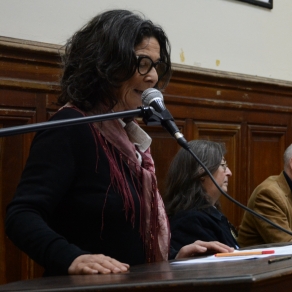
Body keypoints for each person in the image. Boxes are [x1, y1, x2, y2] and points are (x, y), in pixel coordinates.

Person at [4, 10, 231, 276]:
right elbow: (21, 215)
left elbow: (124, 239)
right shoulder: (71, 128)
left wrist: (173, 258)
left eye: (156, 65)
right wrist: (72, 258)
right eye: (142, 63)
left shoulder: (130, 140)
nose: (153, 78)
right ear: (106, 64)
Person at [165, 140, 239, 250]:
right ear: (201, 172)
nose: (229, 172)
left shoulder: (208, 214)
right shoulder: (190, 222)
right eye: (223, 165)